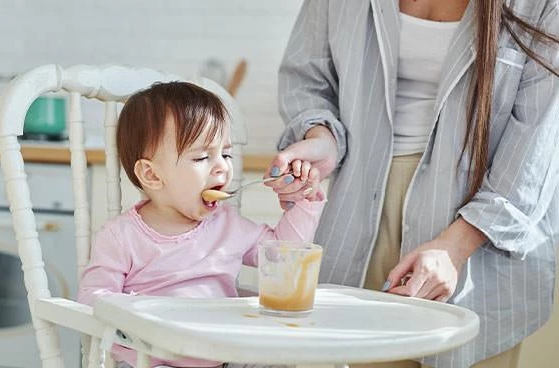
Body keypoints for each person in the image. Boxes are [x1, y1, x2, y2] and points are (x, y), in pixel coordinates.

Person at [267, 0, 559, 367]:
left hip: (481, 233)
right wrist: (322, 137)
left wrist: (455, 248)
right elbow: (307, 79)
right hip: (359, 213)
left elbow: (536, 148)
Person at [77, 81, 326, 368]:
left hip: (225, 355)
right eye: (202, 157)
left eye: (226, 153)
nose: (222, 166)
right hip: (152, 359)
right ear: (152, 175)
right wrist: (141, 312)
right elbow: (91, 298)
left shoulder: (227, 225)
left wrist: (304, 200)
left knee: (279, 359)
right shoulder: (121, 236)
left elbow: (284, 256)